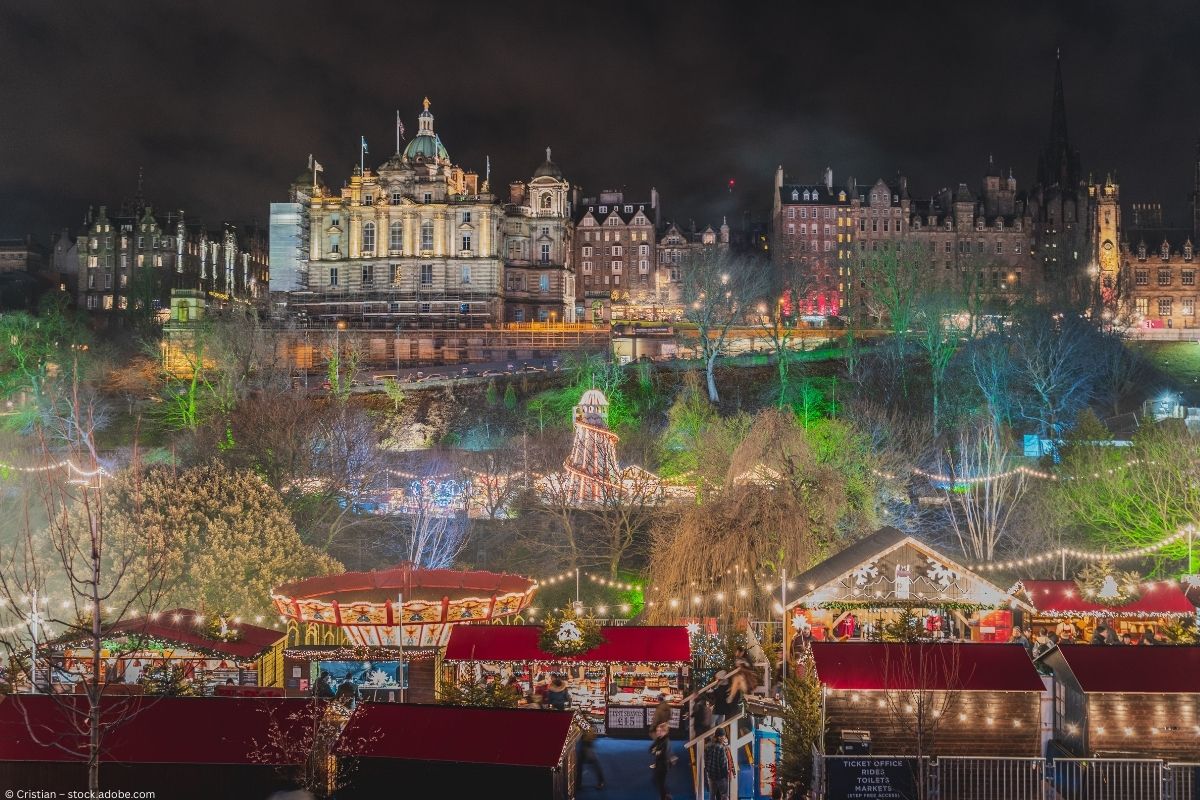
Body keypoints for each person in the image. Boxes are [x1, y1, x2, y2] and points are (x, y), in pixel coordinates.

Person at [704, 727, 735, 800]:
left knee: (712, 795)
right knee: (724, 795)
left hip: (711, 775)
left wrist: (708, 771)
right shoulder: (722, 748)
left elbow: (706, 760)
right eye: (723, 736)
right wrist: (726, 775)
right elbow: (723, 764)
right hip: (721, 777)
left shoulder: (708, 745)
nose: (723, 737)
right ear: (719, 737)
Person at [649, 721, 674, 800]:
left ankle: (666, 797)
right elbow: (650, 750)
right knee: (656, 781)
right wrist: (657, 751)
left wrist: (656, 751)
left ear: (665, 732)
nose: (657, 732)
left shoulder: (666, 741)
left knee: (661, 783)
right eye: (657, 731)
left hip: (663, 766)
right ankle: (666, 795)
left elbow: (664, 754)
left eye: (660, 731)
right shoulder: (658, 739)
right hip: (658, 764)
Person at [577, 723, 605, 790]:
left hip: (586, 746)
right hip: (586, 746)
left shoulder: (587, 727)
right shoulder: (588, 726)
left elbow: (590, 737)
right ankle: (601, 781)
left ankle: (601, 781)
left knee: (593, 764)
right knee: (582, 766)